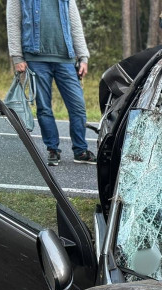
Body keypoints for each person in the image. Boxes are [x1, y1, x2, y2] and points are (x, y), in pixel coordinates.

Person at [6, 0, 95, 166]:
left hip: (66, 59)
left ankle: (80, 151)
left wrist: (83, 56)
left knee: (78, 106)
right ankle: (52, 150)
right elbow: (13, 23)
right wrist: (17, 56)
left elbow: (75, 24)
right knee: (44, 107)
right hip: (36, 58)